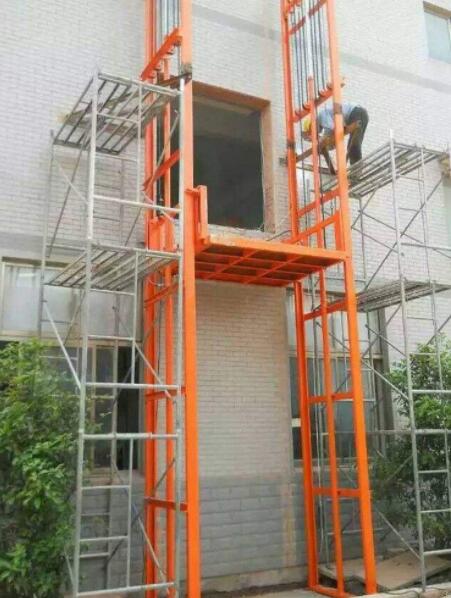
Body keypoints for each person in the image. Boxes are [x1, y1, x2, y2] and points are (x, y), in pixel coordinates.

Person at [302, 102, 369, 175]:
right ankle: (355, 171)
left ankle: (357, 173)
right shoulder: (325, 121)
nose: (315, 133)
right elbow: (332, 142)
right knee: (352, 145)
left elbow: (332, 131)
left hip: (357, 113)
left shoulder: (322, 117)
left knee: (354, 145)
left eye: (312, 132)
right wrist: (323, 146)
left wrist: (321, 143)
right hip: (358, 114)